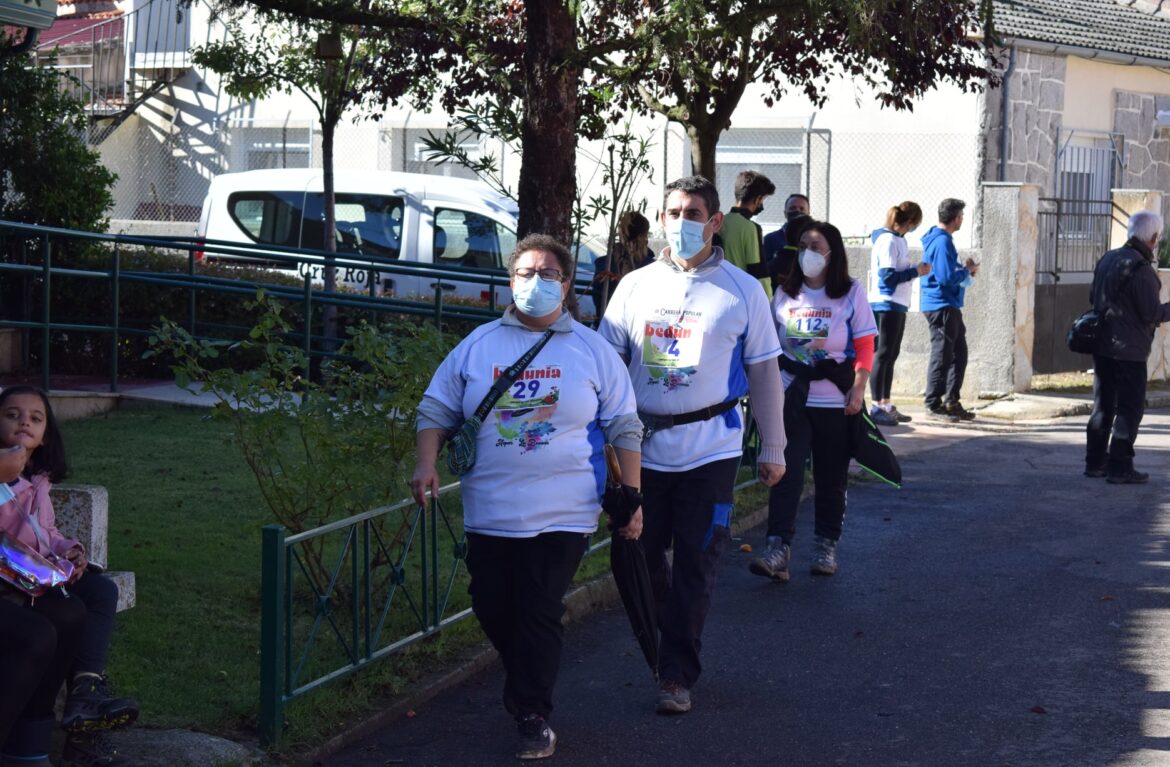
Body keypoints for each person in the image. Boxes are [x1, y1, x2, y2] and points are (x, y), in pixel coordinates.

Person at [411, 234, 644, 760]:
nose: (535, 283)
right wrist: (425, 463)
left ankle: (533, 714)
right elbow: (435, 409)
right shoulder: (477, 346)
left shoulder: (591, 350)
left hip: (565, 510)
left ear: (566, 284)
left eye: (547, 274)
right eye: (524, 273)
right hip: (490, 509)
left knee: (538, 608)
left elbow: (625, 426)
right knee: (491, 604)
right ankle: (527, 677)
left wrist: (632, 496)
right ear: (509, 282)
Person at [599, 175, 786, 716]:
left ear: (714, 222)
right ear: (661, 218)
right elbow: (607, 368)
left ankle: (677, 672)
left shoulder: (741, 290)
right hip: (640, 449)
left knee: (698, 563)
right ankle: (665, 643)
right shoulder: (634, 287)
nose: (681, 221)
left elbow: (765, 372)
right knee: (635, 554)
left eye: (693, 212)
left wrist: (772, 445)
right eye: (673, 211)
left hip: (711, 448)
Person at [0, 386, 137, 767]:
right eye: (12, 414)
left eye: (35, 417)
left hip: (34, 572)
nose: (24, 421)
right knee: (57, 620)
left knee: (99, 592)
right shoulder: (7, 479)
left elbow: (46, 534)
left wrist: (71, 551)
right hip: (13, 577)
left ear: (45, 436)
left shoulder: (38, 480)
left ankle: (84, 694)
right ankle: (32, 742)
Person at [750, 221, 876, 582]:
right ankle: (778, 547)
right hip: (791, 396)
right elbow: (769, 346)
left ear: (832, 253)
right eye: (803, 244)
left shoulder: (850, 292)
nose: (808, 251)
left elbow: (866, 344)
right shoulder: (785, 293)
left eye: (816, 246)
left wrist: (858, 387)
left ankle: (825, 544)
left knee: (830, 476)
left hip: (833, 399)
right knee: (783, 472)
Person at [1085, 210, 1170, 483]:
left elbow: (1092, 296)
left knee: (1103, 405)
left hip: (1103, 346)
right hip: (1129, 350)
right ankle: (1120, 466)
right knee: (1130, 408)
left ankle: (1095, 463)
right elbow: (1151, 314)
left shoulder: (1109, 258)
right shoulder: (1141, 270)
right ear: (1153, 238)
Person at [868, 202, 930, 426]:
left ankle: (885, 402)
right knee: (883, 354)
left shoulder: (898, 240)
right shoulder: (888, 240)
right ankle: (876, 405)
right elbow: (887, 276)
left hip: (897, 304)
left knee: (891, 355)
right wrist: (916, 271)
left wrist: (913, 270)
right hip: (886, 303)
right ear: (910, 222)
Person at [920, 198, 978, 423]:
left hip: (949, 305)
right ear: (955, 218)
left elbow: (946, 271)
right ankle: (933, 402)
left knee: (958, 354)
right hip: (941, 304)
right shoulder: (942, 242)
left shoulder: (942, 240)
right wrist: (966, 272)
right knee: (942, 355)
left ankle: (951, 400)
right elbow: (945, 277)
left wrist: (964, 270)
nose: (962, 219)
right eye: (961, 216)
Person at [720, 170, 775, 298]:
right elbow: (757, 269)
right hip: (743, 295)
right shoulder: (752, 228)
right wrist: (767, 299)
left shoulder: (719, 222)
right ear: (758, 199)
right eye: (763, 200)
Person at [591, 210, 655, 318]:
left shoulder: (604, 264)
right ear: (644, 235)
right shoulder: (652, 267)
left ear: (621, 233)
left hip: (605, 325)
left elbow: (598, 302)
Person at [762, 193, 811, 264]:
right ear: (785, 213)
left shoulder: (816, 239)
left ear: (808, 213)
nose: (797, 211)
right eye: (792, 208)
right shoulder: (770, 239)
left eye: (802, 209)